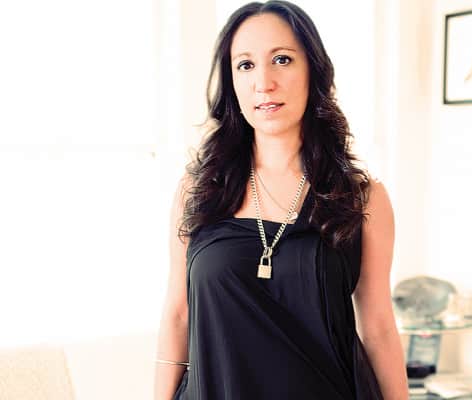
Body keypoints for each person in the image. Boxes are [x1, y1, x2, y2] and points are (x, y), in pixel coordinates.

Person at [154, 1, 408, 399]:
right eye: (245, 65)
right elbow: (178, 316)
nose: (264, 82)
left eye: (282, 60)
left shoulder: (362, 198)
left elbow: (378, 328)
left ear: (313, 71)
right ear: (232, 82)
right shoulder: (198, 190)